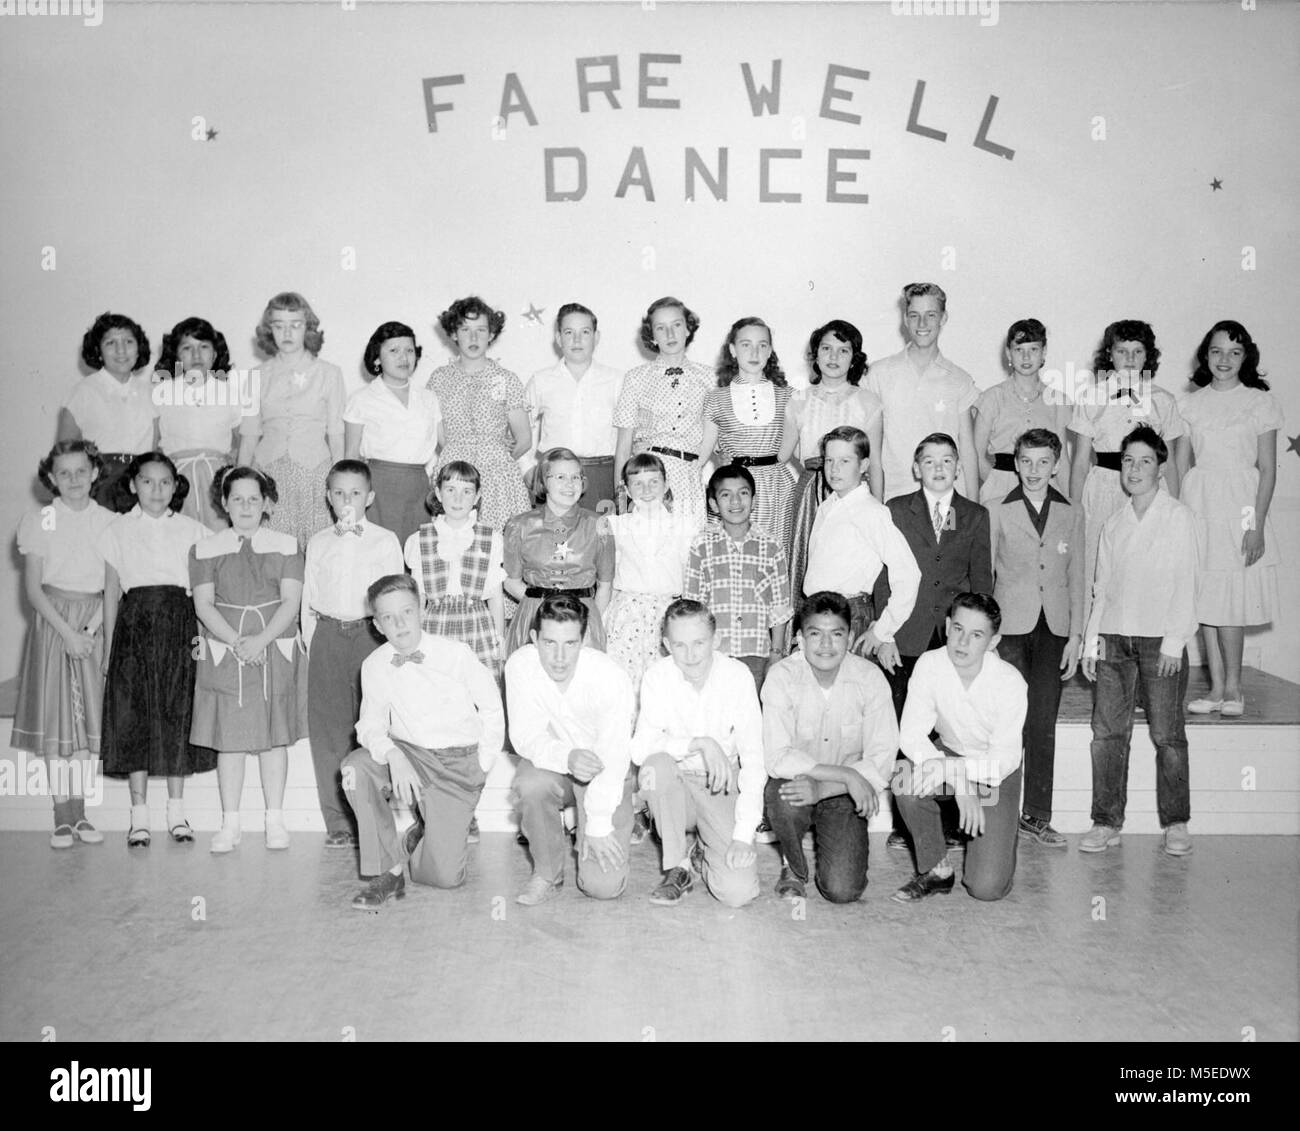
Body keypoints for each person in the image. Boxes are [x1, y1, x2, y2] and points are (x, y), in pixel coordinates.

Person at [342, 574, 505, 911]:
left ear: (422, 609)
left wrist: (482, 765)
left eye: (407, 612)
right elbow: (369, 725)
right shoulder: (374, 665)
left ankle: (425, 835)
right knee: (355, 769)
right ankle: (389, 870)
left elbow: (491, 706)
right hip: (409, 756)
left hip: (457, 764)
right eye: (388, 617)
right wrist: (393, 755)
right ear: (376, 625)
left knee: (444, 878)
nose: (399, 623)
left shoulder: (456, 654)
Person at [1081, 426, 1199, 858]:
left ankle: (1176, 823)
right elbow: (1102, 588)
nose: (1134, 469)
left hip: (1160, 644)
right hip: (1114, 639)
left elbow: (1187, 581)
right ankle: (1105, 821)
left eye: (1144, 460)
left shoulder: (1178, 517)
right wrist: (1092, 642)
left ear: (1161, 468)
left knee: (1168, 735)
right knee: (1107, 734)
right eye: (1127, 460)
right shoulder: (1114, 522)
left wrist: (1174, 642)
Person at [873, 432, 991, 850]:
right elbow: (884, 578)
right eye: (929, 461)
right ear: (915, 468)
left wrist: (981, 642)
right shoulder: (896, 511)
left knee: (952, 728)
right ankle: (907, 826)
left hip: (951, 640)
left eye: (947, 461)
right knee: (908, 725)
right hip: (906, 633)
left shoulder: (975, 515)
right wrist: (883, 633)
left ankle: (951, 822)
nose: (938, 469)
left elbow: (982, 583)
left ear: (958, 467)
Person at [191, 467, 309, 854]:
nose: (245, 506)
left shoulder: (288, 545)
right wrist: (238, 642)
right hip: (226, 648)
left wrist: (260, 640)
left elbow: (291, 602)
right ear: (223, 503)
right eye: (237, 498)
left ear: (267, 503)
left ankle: (275, 819)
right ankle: (231, 824)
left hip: (273, 643)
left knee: (275, 738)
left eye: (253, 499)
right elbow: (204, 604)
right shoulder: (205, 549)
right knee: (231, 740)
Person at [97, 452, 213, 846]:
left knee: (176, 711)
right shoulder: (116, 530)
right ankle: (139, 817)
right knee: (135, 718)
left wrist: (199, 640)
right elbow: (111, 593)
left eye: (165, 482)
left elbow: (200, 594)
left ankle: (177, 814)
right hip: (134, 627)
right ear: (133, 484)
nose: (156, 490)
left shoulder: (193, 530)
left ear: (175, 486)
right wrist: (110, 649)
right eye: (147, 481)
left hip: (179, 624)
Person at [12, 442, 117, 848]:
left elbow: (113, 586)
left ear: (95, 473)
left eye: (81, 471)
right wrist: (68, 633)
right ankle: (61, 816)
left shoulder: (109, 521)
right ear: (51, 478)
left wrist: (90, 631)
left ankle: (82, 814)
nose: (73, 480)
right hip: (54, 623)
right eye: (64, 473)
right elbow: (34, 590)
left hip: (95, 623)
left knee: (89, 723)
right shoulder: (41, 520)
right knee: (59, 724)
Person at [891, 593, 1027, 904]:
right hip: (947, 756)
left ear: (993, 642)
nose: (963, 642)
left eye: (977, 635)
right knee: (904, 780)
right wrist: (957, 779)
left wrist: (953, 772)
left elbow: (1004, 761)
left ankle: (1004, 834)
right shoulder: (930, 664)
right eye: (958, 629)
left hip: (994, 772)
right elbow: (910, 735)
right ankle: (936, 870)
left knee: (986, 889)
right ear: (948, 626)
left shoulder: (1010, 683)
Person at [762, 592, 898, 903]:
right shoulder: (781, 677)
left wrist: (828, 787)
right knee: (783, 798)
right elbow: (777, 758)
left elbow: (883, 760)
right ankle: (793, 867)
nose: (826, 645)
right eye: (815, 634)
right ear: (799, 638)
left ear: (850, 637)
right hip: (799, 782)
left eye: (836, 634)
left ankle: (831, 835)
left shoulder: (870, 678)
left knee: (843, 890)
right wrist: (846, 774)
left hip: (843, 794)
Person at [1175, 321, 1282, 717]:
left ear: (1246, 357)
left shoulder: (1259, 402)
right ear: (1206, 355)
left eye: (1234, 353)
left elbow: (1268, 470)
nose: (1225, 360)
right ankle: (1216, 688)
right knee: (1205, 599)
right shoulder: (1189, 405)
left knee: (1231, 601)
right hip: (1199, 504)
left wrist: (1253, 525)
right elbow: (1182, 467)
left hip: (1240, 507)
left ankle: (1235, 688)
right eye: (1217, 351)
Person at [987, 428, 1085, 847]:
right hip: (1010, 629)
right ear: (1016, 461)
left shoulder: (1073, 512)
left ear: (1057, 464)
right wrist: (987, 636)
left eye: (1043, 462)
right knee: (1006, 722)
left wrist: (1077, 637)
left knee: (1042, 721)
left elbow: (1078, 578)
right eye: (1026, 461)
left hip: (1055, 631)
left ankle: (1037, 815)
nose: (1034, 470)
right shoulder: (996, 510)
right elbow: (986, 574)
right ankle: (999, 813)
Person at [632, 599, 764, 908]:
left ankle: (704, 851)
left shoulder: (738, 676)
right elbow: (639, 749)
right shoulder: (657, 676)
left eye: (699, 643)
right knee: (655, 767)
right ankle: (679, 866)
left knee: (737, 893)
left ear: (716, 640)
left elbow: (756, 760)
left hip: (721, 784)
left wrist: (743, 834)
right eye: (679, 645)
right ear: (666, 644)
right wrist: (698, 743)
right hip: (677, 783)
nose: (690, 655)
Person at [507, 594, 637, 905]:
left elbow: (615, 754)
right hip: (559, 766)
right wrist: (567, 756)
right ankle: (547, 871)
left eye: (570, 644)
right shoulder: (520, 666)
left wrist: (598, 822)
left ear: (584, 640)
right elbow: (525, 737)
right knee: (531, 783)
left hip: (605, 772)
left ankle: (592, 834)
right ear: (534, 638)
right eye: (550, 643)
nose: (560, 657)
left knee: (602, 887)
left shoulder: (610, 677)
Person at [302, 460, 404, 849]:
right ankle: (338, 821)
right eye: (340, 493)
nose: (347, 500)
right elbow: (309, 598)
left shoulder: (385, 540)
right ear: (329, 498)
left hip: (370, 637)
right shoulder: (319, 542)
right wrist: (315, 644)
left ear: (370, 497)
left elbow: (394, 596)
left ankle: (373, 815)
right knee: (329, 732)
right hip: (328, 633)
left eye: (355, 493)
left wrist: (392, 647)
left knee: (373, 726)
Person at [1068, 319, 1184, 617]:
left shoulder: (1163, 400)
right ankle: (1093, 648)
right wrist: (1075, 508)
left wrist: (1174, 506)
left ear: (1149, 356)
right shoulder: (1092, 397)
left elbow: (1168, 463)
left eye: (1137, 352)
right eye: (1122, 351)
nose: (1130, 359)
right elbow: (1080, 460)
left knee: (1145, 569)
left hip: (1148, 492)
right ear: (1109, 354)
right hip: (1105, 487)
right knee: (1099, 565)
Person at [238, 292, 346, 550]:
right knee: (273, 552)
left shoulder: (329, 373)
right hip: (268, 473)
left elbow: (336, 433)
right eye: (278, 325)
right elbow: (250, 433)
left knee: (318, 550)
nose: (287, 333)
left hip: (316, 475)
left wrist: (340, 482)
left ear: (307, 328)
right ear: (268, 329)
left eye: (295, 325)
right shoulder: (255, 376)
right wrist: (240, 480)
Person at [787, 319, 884, 602]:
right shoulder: (799, 400)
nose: (833, 357)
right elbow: (781, 454)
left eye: (843, 350)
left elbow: (875, 462)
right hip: (810, 494)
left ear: (855, 358)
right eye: (826, 348)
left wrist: (877, 509)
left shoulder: (868, 402)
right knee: (809, 557)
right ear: (815, 354)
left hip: (854, 493)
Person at [803, 425, 920, 655]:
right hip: (819, 612)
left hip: (850, 615)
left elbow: (909, 574)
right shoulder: (828, 506)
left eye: (845, 461)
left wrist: (882, 631)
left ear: (864, 465)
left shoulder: (871, 512)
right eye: (829, 461)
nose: (834, 469)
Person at [683, 464, 793, 694]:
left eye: (743, 493)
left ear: (753, 500)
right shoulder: (701, 545)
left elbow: (780, 607)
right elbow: (693, 606)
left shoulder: (771, 546)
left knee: (752, 720)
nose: (735, 502)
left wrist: (776, 654)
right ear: (714, 504)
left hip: (757, 654)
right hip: (714, 655)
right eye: (726, 495)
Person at [866, 283, 979, 500]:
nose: (922, 324)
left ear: (943, 318)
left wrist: (974, 507)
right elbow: (873, 449)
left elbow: (967, 447)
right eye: (914, 315)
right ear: (905, 319)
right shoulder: (879, 374)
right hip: (895, 495)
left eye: (931, 315)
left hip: (947, 497)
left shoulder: (959, 379)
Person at [426, 295, 531, 531]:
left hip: (498, 479)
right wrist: (456, 455)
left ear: (491, 334)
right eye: (465, 329)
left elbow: (524, 438)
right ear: (453, 334)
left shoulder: (506, 379)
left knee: (497, 544)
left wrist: (495, 461)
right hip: (454, 476)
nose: (473, 338)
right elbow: (439, 434)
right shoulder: (439, 379)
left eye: (481, 330)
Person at [502, 447, 614, 656]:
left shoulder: (599, 525)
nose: (569, 484)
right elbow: (511, 580)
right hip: (535, 619)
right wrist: (544, 605)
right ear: (543, 481)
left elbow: (605, 586)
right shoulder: (520, 525)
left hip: (583, 621)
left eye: (575, 477)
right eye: (560, 477)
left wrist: (589, 621)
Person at [699, 316, 799, 550]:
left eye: (762, 345)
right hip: (733, 488)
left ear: (770, 350)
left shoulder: (789, 396)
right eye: (746, 344)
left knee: (772, 557)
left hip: (776, 491)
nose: (754, 352)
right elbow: (703, 453)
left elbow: (785, 453)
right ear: (733, 350)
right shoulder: (716, 398)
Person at [603, 453, 700, 692]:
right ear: (626, 488)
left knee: (665, 683)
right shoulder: (617, 526)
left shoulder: (684, 525)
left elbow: (691, 576)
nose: (646, 490)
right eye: (638, 483)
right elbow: (609, 576)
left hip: (668, 612)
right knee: (623, 682)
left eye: (654, 482)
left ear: (666, 485)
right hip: (627, 614)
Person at [613, 296, 713, 523]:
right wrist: (621, 500)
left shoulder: (709, 378)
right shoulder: (636, 378)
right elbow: (623, 445)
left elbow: (715, 436)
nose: (670, 334)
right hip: (647, 476)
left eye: (677, 325)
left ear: (688, 329)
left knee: (687, 547)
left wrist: (698, 468)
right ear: (652, 336)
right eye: (661, 328)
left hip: (689, 475)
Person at [404, 461, 507, 679]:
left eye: (467, 491)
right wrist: (414, 640)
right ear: (439, 494)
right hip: (435, 627)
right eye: (450, 490)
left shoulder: (490, 538)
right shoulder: (421, 539)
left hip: (477, 625)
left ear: (477, 497)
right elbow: (419, 599)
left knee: (480, 688)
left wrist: (500, 639)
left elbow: (495, 598)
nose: (458, 499)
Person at [344, 320, 441, 547]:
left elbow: (447, 444)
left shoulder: (428, 398)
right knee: (378, 553)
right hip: (377, 488)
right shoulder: (362, 399)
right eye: (394, 350)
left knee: (415, 555)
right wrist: (350, 504)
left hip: (418, 487)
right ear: (377, 357)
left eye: (409, 350)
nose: (403, 357)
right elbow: (350, 455)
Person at [526, 303, 624, 514]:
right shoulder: (541, 380)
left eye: (585, 332)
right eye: (569, 332)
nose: (577, 340)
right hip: (554, 478)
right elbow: (521, 430)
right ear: (558, 338)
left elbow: (629, 436)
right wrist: (527, 470)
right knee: (553, 542)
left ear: (596, 337)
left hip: (601, 476)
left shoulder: (616, 380)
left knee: (601, 540)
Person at [59, 311, 159, 512]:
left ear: (139, 348)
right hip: (100, 486)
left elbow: (156, 447)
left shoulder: (152, 393)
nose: (121, 350)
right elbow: (65, 454)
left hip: (142, 486)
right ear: (98, 350)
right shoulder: (83, 392)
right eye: (111, 343)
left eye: (128, 342)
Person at [154, 316, 242, 532]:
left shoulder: (230, 393)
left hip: (217, 477)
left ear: (214, 354)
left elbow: (240, 442)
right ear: (176, 355)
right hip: (177, 477)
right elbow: (154, 443)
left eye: (203, 347)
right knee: (181, 537)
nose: (196, 355)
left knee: (220, 537)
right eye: (187, 348)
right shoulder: (162, 392)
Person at [972, 319, 1071, 503]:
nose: (1026, 358)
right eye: (1019, 350)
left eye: (1033, 349)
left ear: (1044, 352)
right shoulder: (992, 398)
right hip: (1001, 492)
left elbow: (1063, 459)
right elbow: (975, 454)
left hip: (1046, 491)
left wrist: (1067, 502)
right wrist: (995, 482)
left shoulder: (1057, 400)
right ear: (1008, 353)